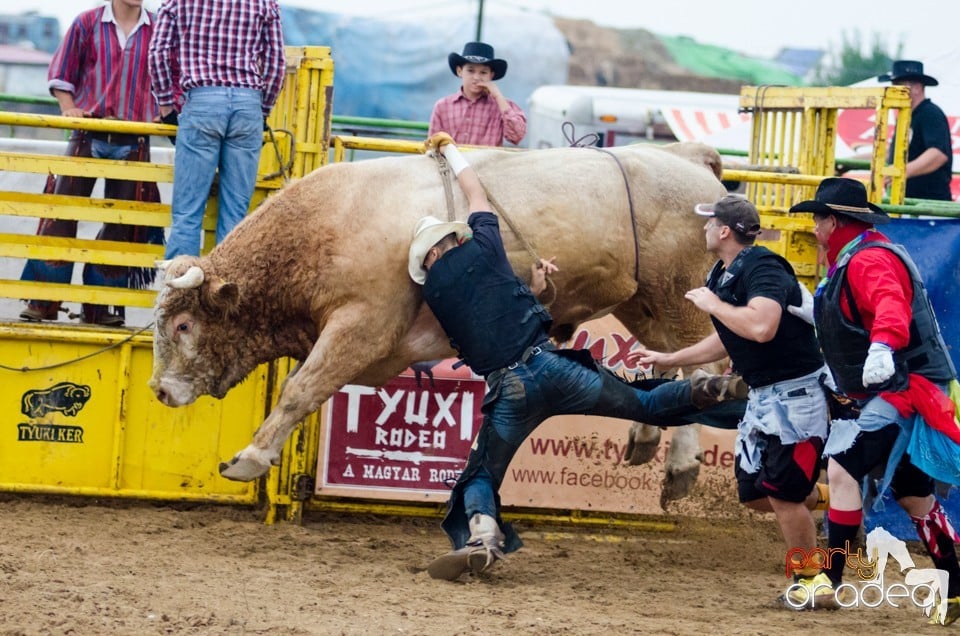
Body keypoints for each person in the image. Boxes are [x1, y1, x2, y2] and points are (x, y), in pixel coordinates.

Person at [410, 132, 747, 581]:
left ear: (428, 259)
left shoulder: (433, 297)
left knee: (480, 475)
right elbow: (475, 190)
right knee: (644, 401)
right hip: (553, 368)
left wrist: (526, 292)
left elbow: (483, 322)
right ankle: (707, 386)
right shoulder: (488, 247)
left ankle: (483, 536)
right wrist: (450, 150)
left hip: (508, 392)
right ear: (450, 242)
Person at [626, 194, 834, 609]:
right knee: (757, 494)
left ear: (724, 230)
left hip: (796, 395)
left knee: (783, 494)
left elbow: (760, 327)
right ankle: (833, 500)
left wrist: (714, 304)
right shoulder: (723, 272)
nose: (703, 228)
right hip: (765, 395)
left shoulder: (764, 266)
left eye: (709, 222)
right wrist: (672, 358)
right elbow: (729, 335)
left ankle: (813, 583)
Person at [788, 177, 960, 624]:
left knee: (844, 465)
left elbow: (889, 307)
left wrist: (884, 345)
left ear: (833, 221)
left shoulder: (867, 260)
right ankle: (957, 587)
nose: (813, 226)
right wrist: (816, 314)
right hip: (897, 386)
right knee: (913, 493)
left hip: (904, 387)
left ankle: (830, 579)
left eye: (817, 217)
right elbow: (858, 312)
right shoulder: (853, 258)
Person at [18, 0, 165, 327]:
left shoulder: (158, 28)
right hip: (87, 130)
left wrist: (162, 111)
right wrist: (68, 108)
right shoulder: (87, 23)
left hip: (134, 136)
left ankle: (101, 306)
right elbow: (61, 73)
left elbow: (169, 77)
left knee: (123, 223)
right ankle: (43, 300)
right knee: (61, 212)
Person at [148, 0, 286, 259]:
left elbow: (158, 53)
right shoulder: (265, 3)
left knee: (187, 214)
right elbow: (277, 64)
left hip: (202, 103)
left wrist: (167, 105)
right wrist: (262, 109)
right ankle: (224, 292)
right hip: (248, 106)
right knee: (235, 215)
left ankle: (181, 293)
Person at [878, 60, 954, 201]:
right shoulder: (907, 116)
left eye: (898, 85)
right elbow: (891, 152)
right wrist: (848, 161)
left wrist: (900, 172)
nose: (893, 90)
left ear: (917, 87)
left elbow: (938, 154)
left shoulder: (930, 113)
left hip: (928, 206)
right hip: (910, 203)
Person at [428, 41, 526, 147]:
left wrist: (497, 95)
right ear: (459, 71)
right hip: (450, 163)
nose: (476, 77)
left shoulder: (502, 106)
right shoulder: (442, 106)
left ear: (491, 76)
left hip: (489, 163)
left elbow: (517, 136)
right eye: (470, 70)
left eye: (483, 72)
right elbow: (433, 145)